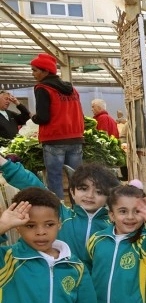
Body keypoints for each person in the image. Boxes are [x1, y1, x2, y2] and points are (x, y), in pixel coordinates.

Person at [0, 156, 120, 265]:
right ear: (72, 192)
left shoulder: (114, 225)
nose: (90, 195)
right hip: (60, 280)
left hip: (96, 286)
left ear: (108, 198)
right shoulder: (60, 213)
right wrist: (4, 163)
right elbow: (31, 183)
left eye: (99, 192)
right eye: (83, 189)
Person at [30, 53, 85, 200]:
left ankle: (59, 212)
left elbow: (43, 117)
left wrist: (33, 118)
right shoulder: (72, 89)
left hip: (54, 139)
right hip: (75, 138)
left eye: (35, 70)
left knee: (54, 179)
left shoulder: (42, 88)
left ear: (45, 71)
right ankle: (79, 210)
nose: (33, 74)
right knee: (76, 179)